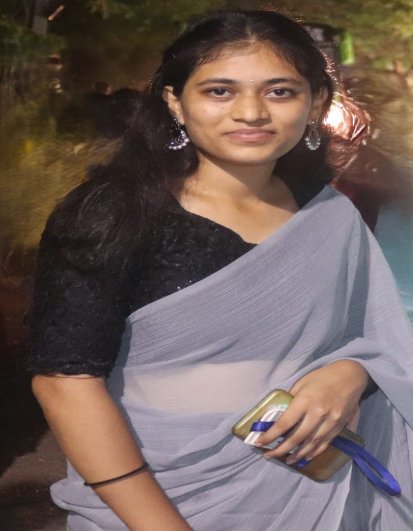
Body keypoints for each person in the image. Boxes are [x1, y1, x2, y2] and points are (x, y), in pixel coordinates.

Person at [27, 10, 413, 530]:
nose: (251, 112)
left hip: (317, 490)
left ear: (318, 102)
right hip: (154, 498)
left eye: (280, 92)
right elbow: (65, 383)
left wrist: (351, 374)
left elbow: (379, 337)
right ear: (175, 101)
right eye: (219, 91)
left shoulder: (330, 214)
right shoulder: (114, 212)